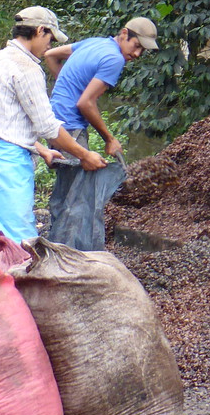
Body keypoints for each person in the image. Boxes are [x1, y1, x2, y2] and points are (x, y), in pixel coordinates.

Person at [0, 6, 104, 244]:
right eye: (49, 37)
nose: (49, 44)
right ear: (39, 30)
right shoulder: (27, 68)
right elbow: (49, 127)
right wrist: (84, 154)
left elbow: (6, 121)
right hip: (5, 168)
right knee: (18, 241)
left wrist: (42, 149)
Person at [40, 16, 158, 251]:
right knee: (77, 195)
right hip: (70, 125)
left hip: (55, 120)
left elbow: (50, 56)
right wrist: (109, 139)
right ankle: (70, 251)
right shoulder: (114, 58)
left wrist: (65, 83)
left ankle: (57, 242)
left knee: (66, 188)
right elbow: (86, 103)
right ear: (124, 34)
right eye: (136, 46)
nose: (137, 55)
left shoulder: (95, 43)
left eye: (142, 51)